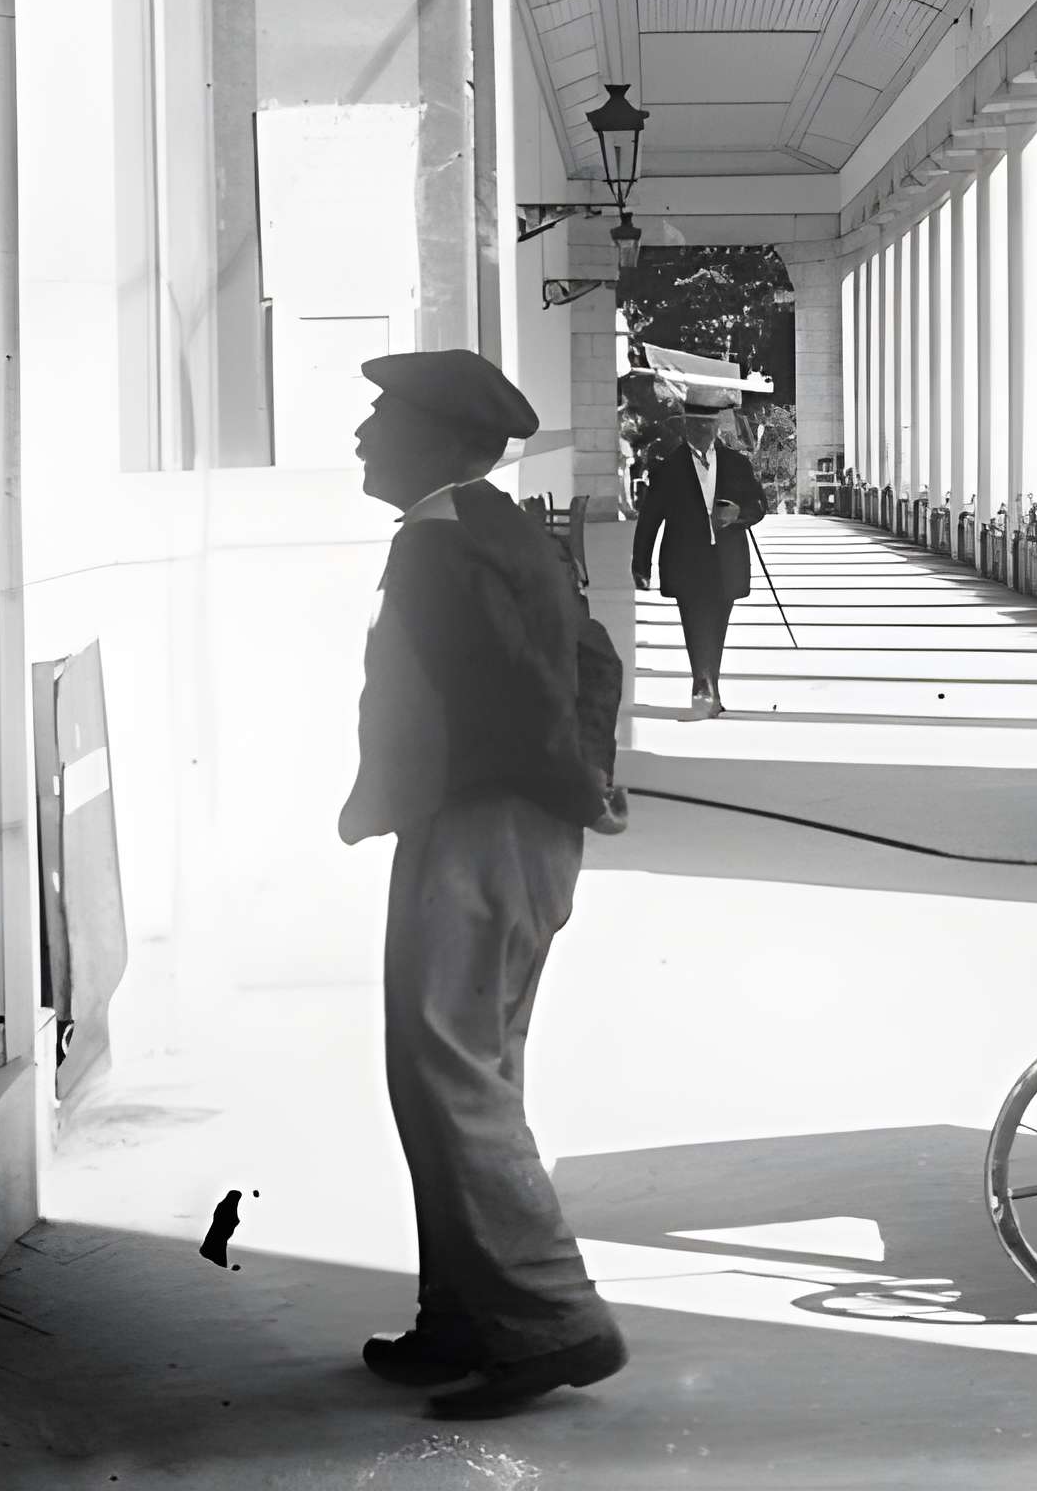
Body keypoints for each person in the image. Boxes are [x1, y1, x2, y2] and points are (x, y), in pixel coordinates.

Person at [342, 350, 627, 1417]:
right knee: (469, 1070)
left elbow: (508, 693)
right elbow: (592, 662)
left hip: (479, 825)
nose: (362, 437)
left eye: (381, 418)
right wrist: (588, 784)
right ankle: (465, 1317)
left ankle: (552, 1319)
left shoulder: (437, 543)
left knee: (446, 1072)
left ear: (439, 439)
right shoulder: (496, 526)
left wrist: (564, 782)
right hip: (521, 822)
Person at [632, 400, 768, 717]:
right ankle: (701, 686)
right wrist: (641, 565)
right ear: (684, 428)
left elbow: (759, 505)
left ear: (717, 427)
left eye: (706, 426)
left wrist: (738, 515)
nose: (701, 432)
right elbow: (649, 519)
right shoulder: (668, 469)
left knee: (718, 625)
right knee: (694, 625)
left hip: (726, 560)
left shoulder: (736, 464)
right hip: (685, 560)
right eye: (694, 426)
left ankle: (711, 685)